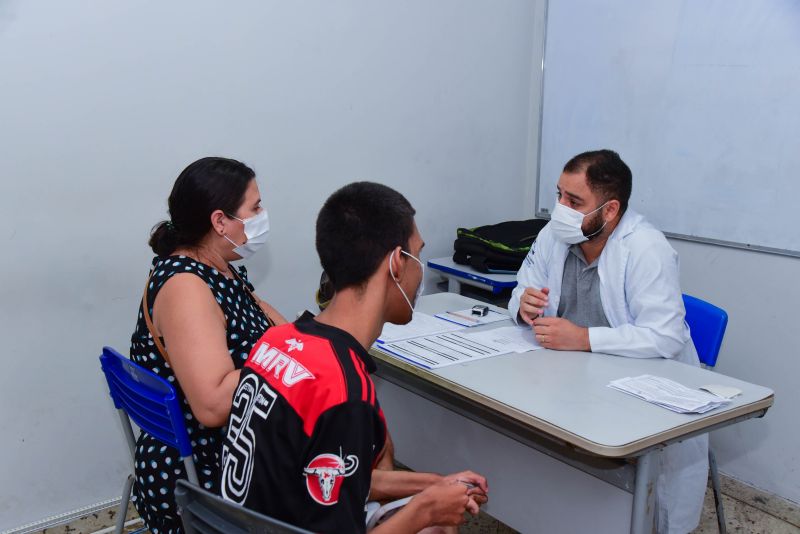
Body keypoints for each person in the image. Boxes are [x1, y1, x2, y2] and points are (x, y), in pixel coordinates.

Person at [221, 182, 488, 533]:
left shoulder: (278, 339)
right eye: (417, 256)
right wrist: (423, 511)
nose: (420, 271)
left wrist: (434, 483)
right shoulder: (343, 394)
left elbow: (332, 477)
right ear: (396, 263)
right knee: (438, 527)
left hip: (243, 524)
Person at [508, 149, 708, 533]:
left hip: (637, 390)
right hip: (569, 380)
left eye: (574, 201)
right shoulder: (556, 234)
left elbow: (664, 336)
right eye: (558, 195)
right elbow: (524, 284)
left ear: (611, 209)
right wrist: (524, 305)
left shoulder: (646, 248)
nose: (560, 209)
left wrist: (583, 337)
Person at [129, 157, 287, 534]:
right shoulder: (187, 287)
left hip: (225, 450)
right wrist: (285, 353)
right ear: (220, 221)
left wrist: (312, 338)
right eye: (255, 207)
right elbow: (213, 405)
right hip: (201, 475)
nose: (262, 215)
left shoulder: (220, 269)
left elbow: (276, 328)